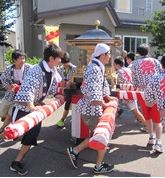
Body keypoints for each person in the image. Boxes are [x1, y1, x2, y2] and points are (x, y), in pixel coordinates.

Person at [0, 43, 64, 175]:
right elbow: (28, 88)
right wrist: (31, 106)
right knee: (14, 133)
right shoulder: (37, 70)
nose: (60, 60)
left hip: (35, 108)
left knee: (31, 135)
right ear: (51, 58)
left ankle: (16, 162)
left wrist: (57, 95)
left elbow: (52, 86)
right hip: (23, 107)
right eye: (59, 58)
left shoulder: (52, 70)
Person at [67, 43, 117, 174]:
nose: (110, 56)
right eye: (108, 54)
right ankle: (98, 166)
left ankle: (75, 151)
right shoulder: (94, 68)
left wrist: (107, 97)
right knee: (102, 137)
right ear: (102, 55)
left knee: (96, 135)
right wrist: (105, 104)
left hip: (91, 107)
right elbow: (94, 91)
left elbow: (101, 85)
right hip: (91, 107)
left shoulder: (96, 67)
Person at [130, 43, 163, 153]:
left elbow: (134, 81)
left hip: (143, 92)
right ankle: (158, 142)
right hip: (156, 92)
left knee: (147, 116)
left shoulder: (134, 64)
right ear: (148, 52)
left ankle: (151, 137)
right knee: (158, 120)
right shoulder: (156, 61)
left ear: (138, 53)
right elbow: (162, 75)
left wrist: (135, 88)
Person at [0, 50, 32, 132]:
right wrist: (10, 86)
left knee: (10, 114)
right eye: (20, 59)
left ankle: (2, 129)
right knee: (2, 113)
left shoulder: (29, 68)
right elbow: (2, 79)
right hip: (10, 95)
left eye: (24, 58)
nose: (23, 61)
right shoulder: (9, 69)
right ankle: (4, 118)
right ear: (14, 60)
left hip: (21, 97)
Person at [113, 58, 149, 130]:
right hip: (133, 89)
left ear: (117, 65)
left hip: (127, 92)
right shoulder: (128, 69)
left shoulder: (119, 72)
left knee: (135, 111)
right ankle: (146, 124)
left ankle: (147, 126)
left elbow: (122, 82)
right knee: (135, 110)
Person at [56, 52, 76, 127]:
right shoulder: (60, 69)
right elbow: (59, 79)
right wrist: (62, 82)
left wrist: (70, 81)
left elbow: (76, 79)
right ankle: (63, 119)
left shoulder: (74, 68)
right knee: (67, 104)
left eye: (66, 63)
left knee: (68, 105)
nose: (65, 65)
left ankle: (62, 119)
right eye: (63, 63)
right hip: (64, 90)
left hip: (73, 90)